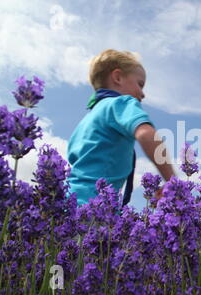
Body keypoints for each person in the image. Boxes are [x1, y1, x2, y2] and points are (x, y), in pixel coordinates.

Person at [67, 49, 175, 207]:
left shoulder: (86, 121)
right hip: (95, 209)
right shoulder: (120, 103)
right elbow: (146, 134)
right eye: (140, 84)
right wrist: (172, 181)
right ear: (117, 77)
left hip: (67, 206)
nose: (142, 94)